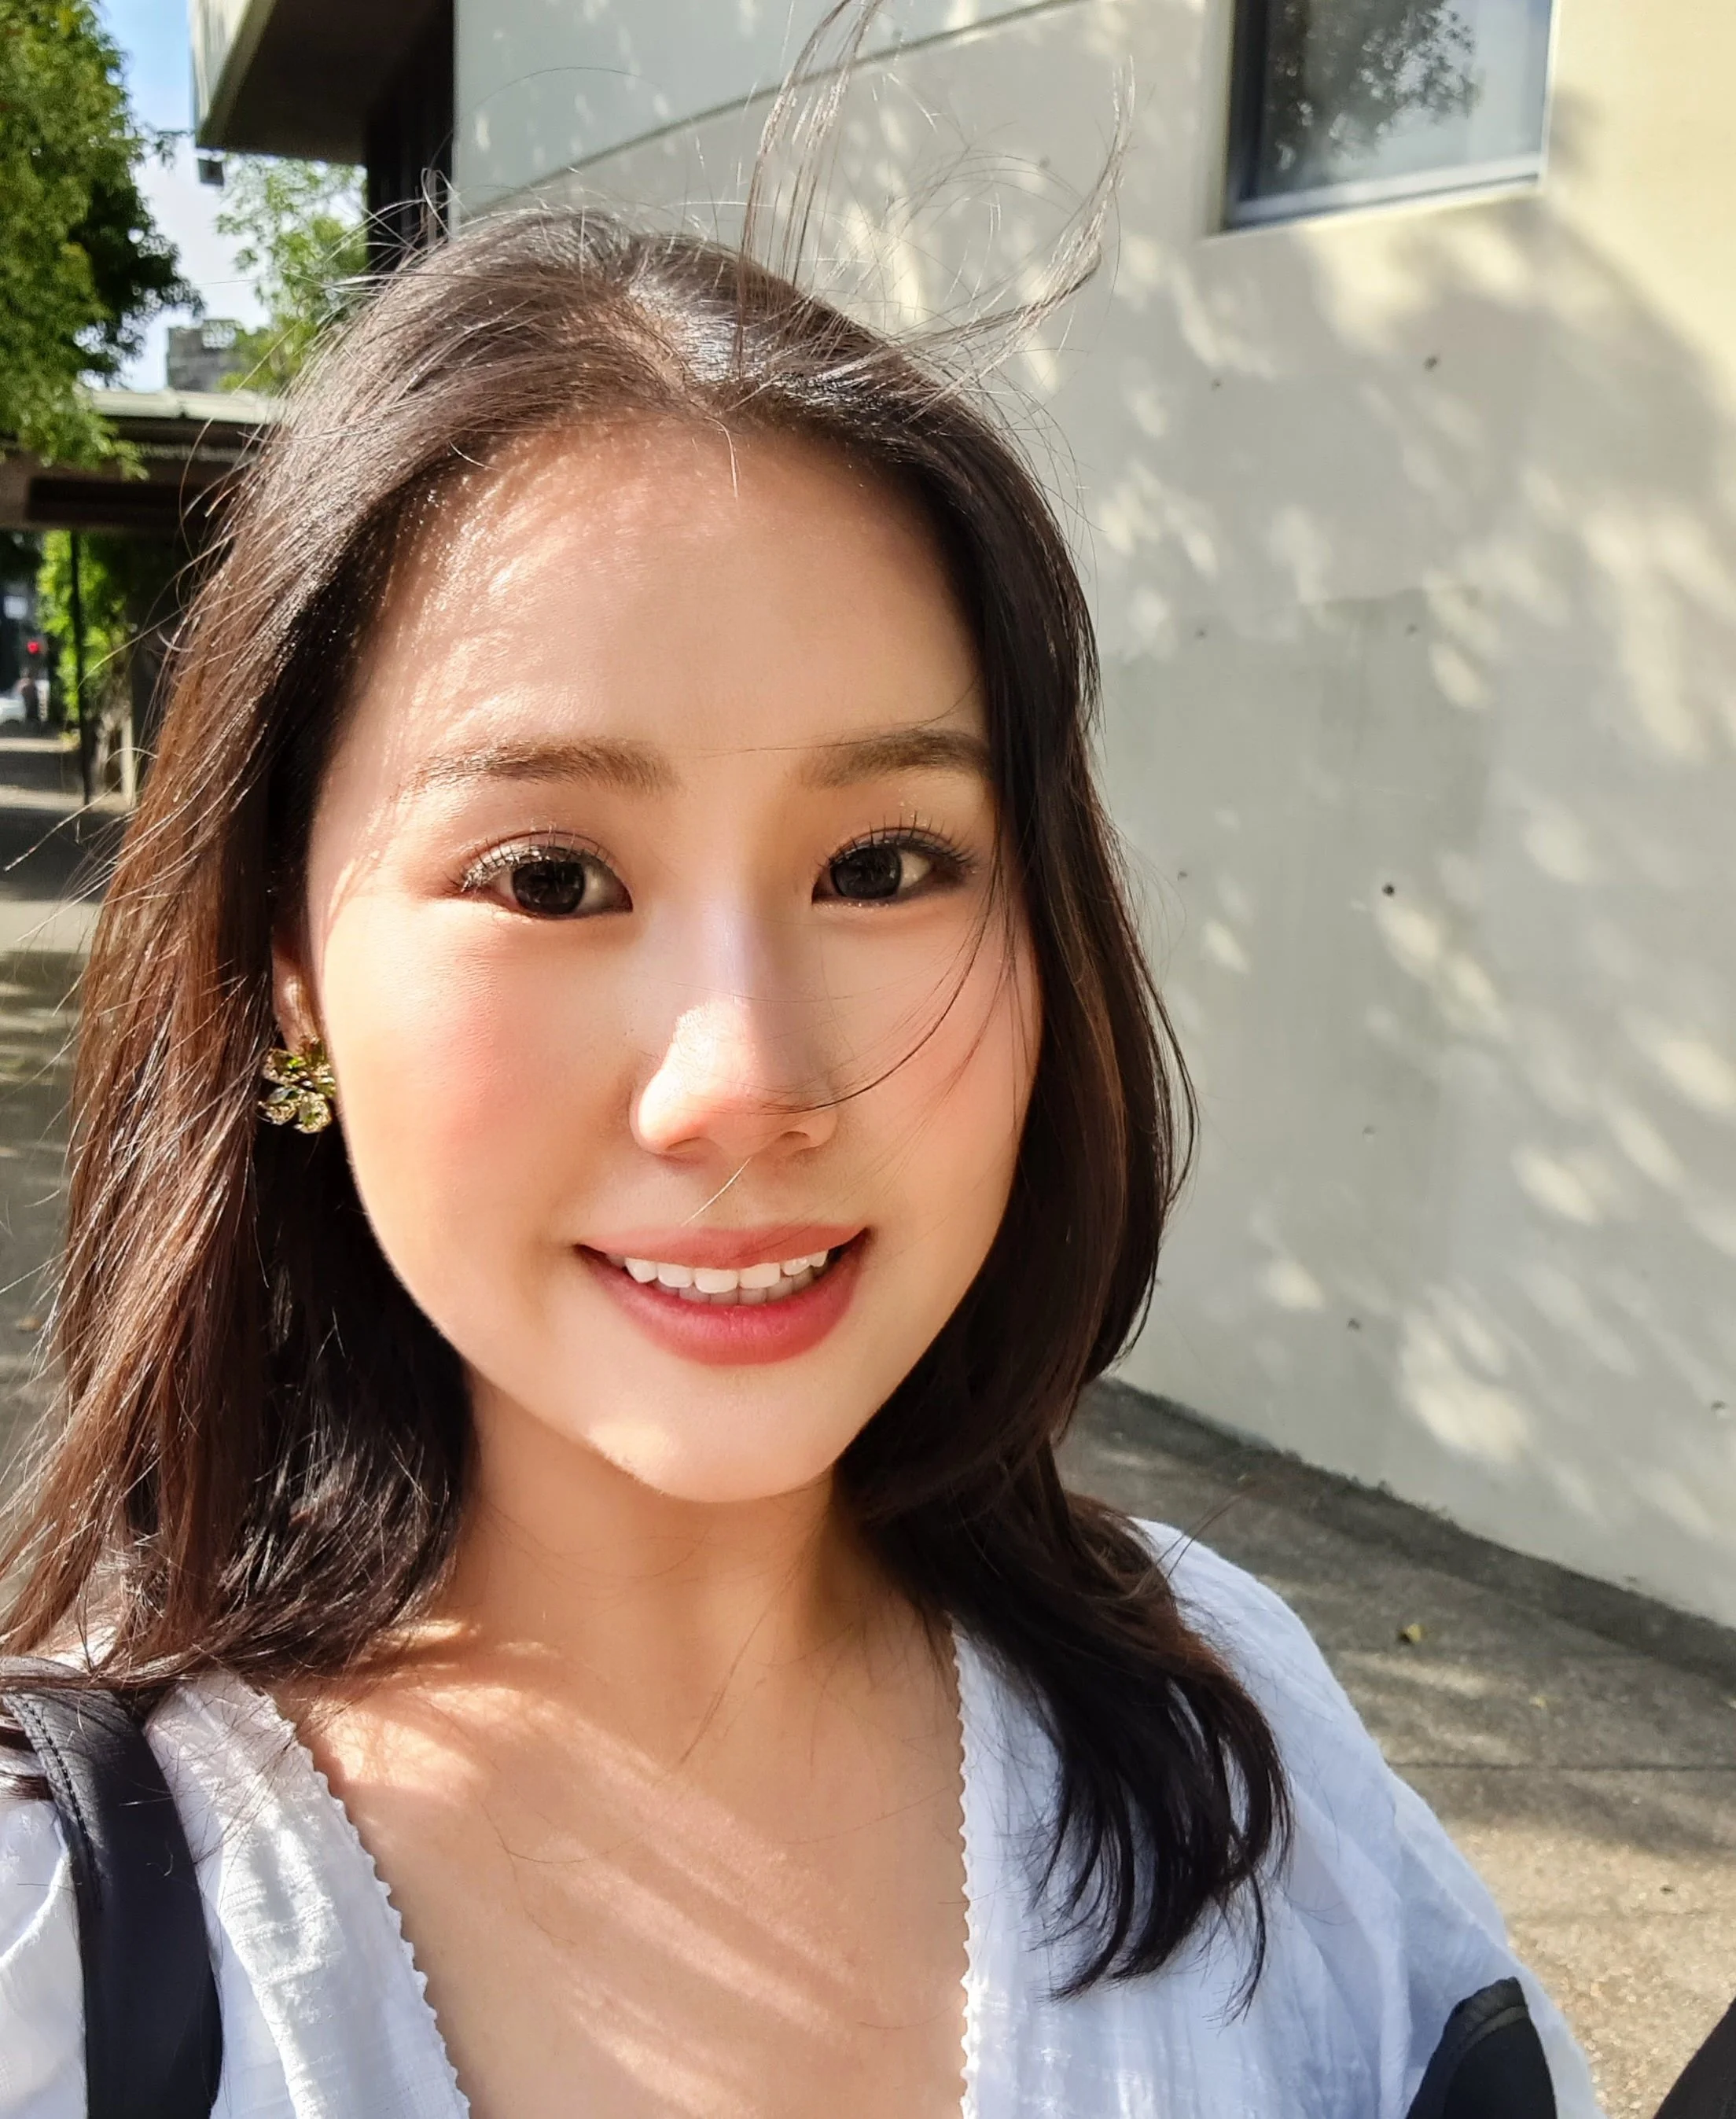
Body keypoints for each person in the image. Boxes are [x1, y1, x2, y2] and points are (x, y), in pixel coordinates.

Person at [0, 187, 1602, 2119]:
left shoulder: (1218, 1727)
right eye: (549, 876)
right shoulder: (69, 1932)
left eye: (884, 867)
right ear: (288, 970)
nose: (744, 1080)